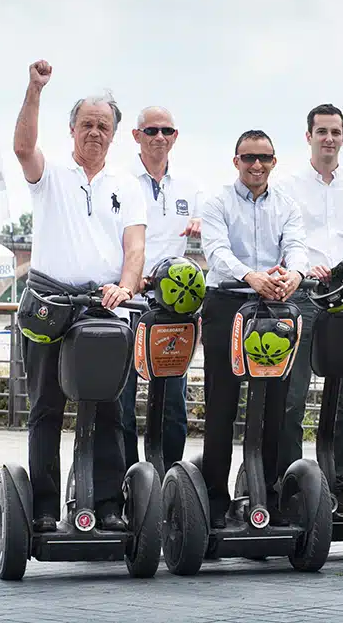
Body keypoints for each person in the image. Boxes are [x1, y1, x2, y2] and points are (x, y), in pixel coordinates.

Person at [13, 59, 146, 533]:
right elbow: (23, 146)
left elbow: (135, 248)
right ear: (71, 130)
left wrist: (126, 286)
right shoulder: (51, 175)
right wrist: (34, 90)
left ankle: (107, 505)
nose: (94, 132)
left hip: (104, 307)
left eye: (103, 126)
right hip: (49, 304)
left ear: (114, 134)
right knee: (47, 407)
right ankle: (45, 507)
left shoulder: (126, 186)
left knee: (110, 408)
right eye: (87, 124)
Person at [274, 103, 343, 512]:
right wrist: (303, 267)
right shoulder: (286, 184)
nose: (328, 138)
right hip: (303, 296)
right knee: (292, 395)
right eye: (321, 131)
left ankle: (337, 483)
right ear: (309, 137)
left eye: (335, 131)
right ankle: (286, 482)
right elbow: (285, 238)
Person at [198, 130, 308, 527]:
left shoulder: (288, 206)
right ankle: (212, 501)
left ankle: (270, 496)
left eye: (264, 158)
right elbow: (216, 252)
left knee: (274, 406)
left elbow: (296, 246)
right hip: (228, 303)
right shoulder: (217, 203)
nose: (256, 165)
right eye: (248, 158)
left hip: (274, 305)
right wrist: (251, 276)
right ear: (236, 161)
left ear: (275, 161)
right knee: (222, 405)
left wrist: (294, 274)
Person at [119, 106, 204, 472]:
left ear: (175, 137)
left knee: (173, 402)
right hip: (128, 304)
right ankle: (124, 481)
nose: (159, 138)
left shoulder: (190, 188)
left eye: (166, 131)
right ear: (136, 136)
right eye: (151, 131)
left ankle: (169, 481)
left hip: (173, 310)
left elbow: (213, 233)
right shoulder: (120, 181)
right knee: (120, 400)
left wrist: (204, 224)